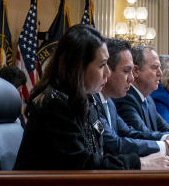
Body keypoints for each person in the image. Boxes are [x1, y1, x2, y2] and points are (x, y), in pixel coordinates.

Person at [15, 25, 145, 170]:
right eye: (102, 65)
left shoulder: (88, 100)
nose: (108, 73)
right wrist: (139, 164)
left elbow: (98, 156)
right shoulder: (54, 105)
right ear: (78, 67)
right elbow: (82, 166)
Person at [95, 38, 169, 161]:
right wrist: (165, 146)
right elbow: (114, 144)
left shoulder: (109, 103)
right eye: (126, 71)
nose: (131, 78)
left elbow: (130, 133)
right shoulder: (94, 102)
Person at [115, 46, 169, 137]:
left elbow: (165, 128)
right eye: (155, 67)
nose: (160, 73)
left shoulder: (148, 98)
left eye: (160, 67)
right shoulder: (126, 98)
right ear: (135, 71)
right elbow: (142, 135)